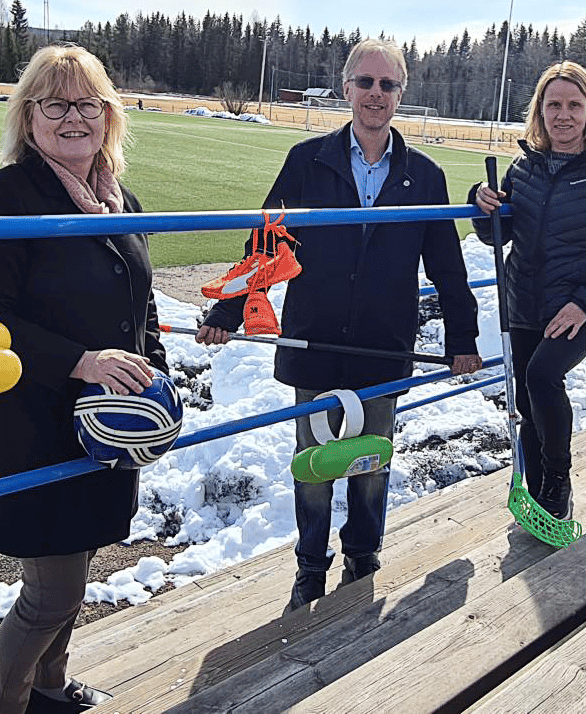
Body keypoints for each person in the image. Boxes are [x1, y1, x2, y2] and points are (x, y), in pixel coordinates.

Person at [197, 38, 483, 611]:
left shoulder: (424, 175)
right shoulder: (307, 160)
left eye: (388, 85)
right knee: (313, 466)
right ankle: (309, 566)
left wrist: (463, 339)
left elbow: (447, 268)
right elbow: (265, 244)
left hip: (383, 348)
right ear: (346, 87)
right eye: (366, 83)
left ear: (402, 93)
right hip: (317, 341)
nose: (376, 95)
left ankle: (362, 558)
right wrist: (228, 311)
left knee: (372, 464)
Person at [0, 44, 164, 714]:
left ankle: (48, 690)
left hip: (106, 417)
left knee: (76, 560)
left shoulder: (117, 198)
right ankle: (0, 709)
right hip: (34, 419)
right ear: (28, 116)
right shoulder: (0, 198)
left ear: (109, 116)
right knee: (55, 591)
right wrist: (83, 362)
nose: (73, 117)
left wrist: (152, 366)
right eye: (56, 103)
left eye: (87, 103)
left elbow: (141, 297)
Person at [472, 60, 586, 523]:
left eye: (575, 104)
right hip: (525, 302)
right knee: (528, 401)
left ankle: (559, 482)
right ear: (540, 110)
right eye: (554, 104)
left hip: (583, 303)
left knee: (542, 378)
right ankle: (537, 496)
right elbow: (496, 236)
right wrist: (483, 203)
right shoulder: (524, 167)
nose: (564, 114)